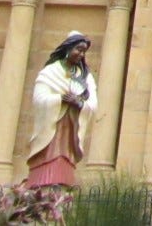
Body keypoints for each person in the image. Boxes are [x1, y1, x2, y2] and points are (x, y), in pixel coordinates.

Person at [26, 32, 98, 187]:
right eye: (78, 49)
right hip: (52, 126)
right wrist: (60, 99)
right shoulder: (50, 72)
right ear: (68, 48)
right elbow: (39, 99)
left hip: (70, 128)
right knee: (50, 159)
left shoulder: (85, 77)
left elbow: (92, 104)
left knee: (64, 161)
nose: (81, 54)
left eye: (84, 51)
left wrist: (78, 103)